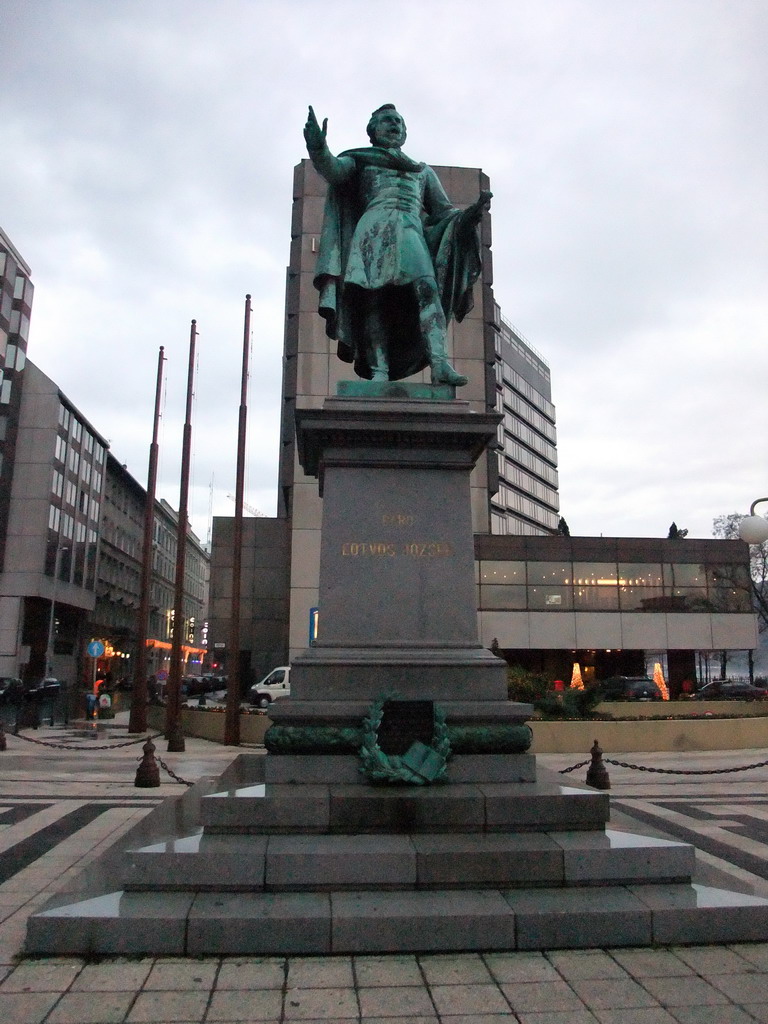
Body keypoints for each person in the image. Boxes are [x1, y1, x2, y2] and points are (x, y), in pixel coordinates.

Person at [304, 104, 492, 386]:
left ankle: (439, 364)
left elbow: (443, 212)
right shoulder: (361, 160)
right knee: (373, 301)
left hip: (409, 232)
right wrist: (318, 149)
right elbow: (334, 171)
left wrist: (471, 214)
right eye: (388, 121)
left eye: (399, 122)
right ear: (373, 131)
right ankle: (380, 370)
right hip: (373, 230)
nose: (395, 125)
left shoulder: (422, 171)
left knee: (428, 291)